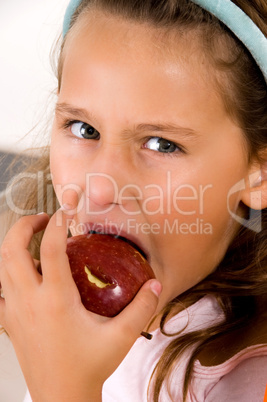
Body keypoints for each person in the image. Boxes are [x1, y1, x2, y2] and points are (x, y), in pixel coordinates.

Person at [0, 0, 267, 400]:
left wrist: (63, 389)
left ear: (258, 173)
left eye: (162, 144)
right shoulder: (63, 314)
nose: (102, 189)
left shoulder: (247, 381)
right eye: (84, 128)